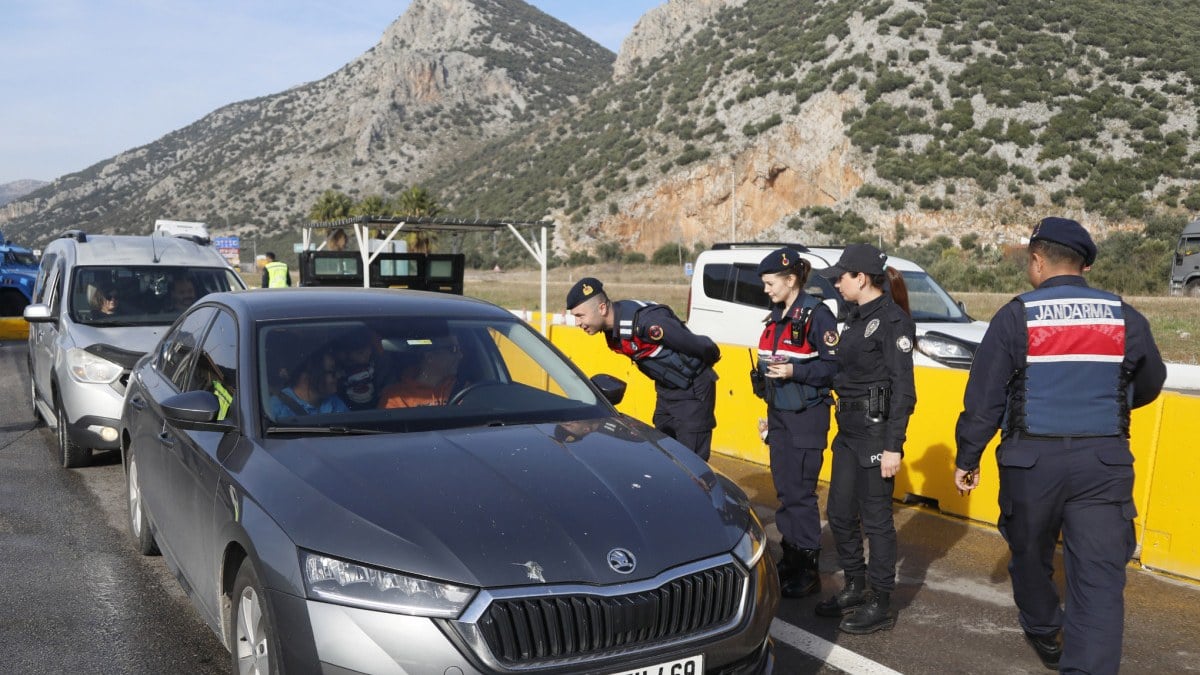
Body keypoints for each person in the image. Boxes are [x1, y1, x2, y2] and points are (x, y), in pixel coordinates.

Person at [953, 217, 1165, 673]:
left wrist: (968, 457)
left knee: (1029, 554)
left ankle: (1045, 627)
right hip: (1103, 463)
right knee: (1100, 581)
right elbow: (1151, 382)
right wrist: (1111, 399)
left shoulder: (1017, 315)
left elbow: (984, 396)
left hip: (1032, 465)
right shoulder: (1123, 315)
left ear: (1036, 260)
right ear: (1084, 266)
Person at [815, 243, 916, 635]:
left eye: (841, 277)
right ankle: (855, 585)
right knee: (840, 513)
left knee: (876, 521)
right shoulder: (854, 318)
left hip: (876, 431)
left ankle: (881, 600)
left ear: (861, 277)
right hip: (848, 430)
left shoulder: (892, 322)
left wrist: (894, 445)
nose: (837, 283)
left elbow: (903, 390)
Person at [751, 247, 838, 599]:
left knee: (800, 493)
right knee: (785, 491)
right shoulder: (775, 317)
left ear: (790, 280)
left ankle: (808, 568)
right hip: (780, 417)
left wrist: (794, 370)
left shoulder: (817, 316)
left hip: (806, 419)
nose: (767, 289)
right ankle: (792, 556)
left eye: (771, 283)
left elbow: (835, 369)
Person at [566, 277, 721, 461]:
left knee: (691, 462)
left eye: (580, 316)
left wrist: (698, 370)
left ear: (602, 308)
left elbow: (700, 346)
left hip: (693, 391)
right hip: (666, 391)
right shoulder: (613, 330)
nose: (577, 323)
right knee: (665, 454)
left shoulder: (647, 323)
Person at [378, 336, 463, 408]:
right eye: (453, 350)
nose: (460, 356)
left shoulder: (461, 387)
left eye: (460, 349)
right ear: (430, 356)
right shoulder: (395, 398)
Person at [268, 348, 349, 417]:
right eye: (332, 372)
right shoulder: (276, 408)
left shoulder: (334, 401)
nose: (338, 376)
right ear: (306, 377)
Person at [335, 327, 387, 410]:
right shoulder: (334, 371)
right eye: (360, 352)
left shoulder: (381, 365)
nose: (367, 353)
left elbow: (387, 390)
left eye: (369, 349)